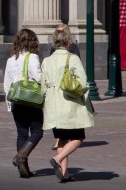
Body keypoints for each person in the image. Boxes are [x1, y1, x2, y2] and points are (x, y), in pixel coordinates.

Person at [41, 28, 94, 183]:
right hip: (70, 105)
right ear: (68, 42)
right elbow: (83, 82)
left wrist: (44, 101)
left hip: (53, 105)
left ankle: (64, 173)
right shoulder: (73, 59)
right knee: (78, 138)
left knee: (62, 139)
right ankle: (58, 158)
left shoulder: (46, 61)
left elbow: (43, 86)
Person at [3, 29, 44, 178]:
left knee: (21, 133)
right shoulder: (32, 57)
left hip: (16, 101)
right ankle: (21, 156)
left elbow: (7, 84)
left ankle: (24, 167)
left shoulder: (11, 60)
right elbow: (38, 78)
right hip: (30, 100)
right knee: (37, 131)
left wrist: (9, 104)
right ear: (32, 42)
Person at [49, 23, 81, 151]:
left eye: (61, 32)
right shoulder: (53, 49)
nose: (59, 34)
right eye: (57, 32)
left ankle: (62, 140)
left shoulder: (73, 47)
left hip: (68, 85)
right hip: (57, 86)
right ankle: (60, 140)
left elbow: (78, 67)